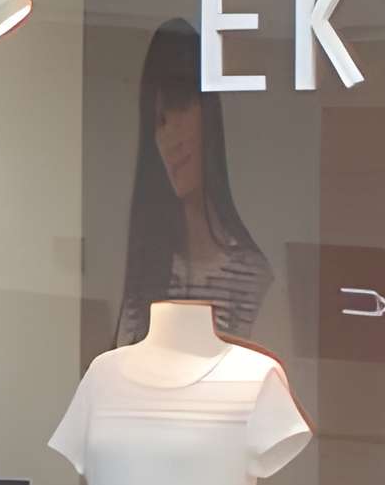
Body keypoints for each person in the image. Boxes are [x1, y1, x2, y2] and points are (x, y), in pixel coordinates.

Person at [115, 17, 271, 347]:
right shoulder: (146, 269)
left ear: (209, 113)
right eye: (159, 122)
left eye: (181, 107)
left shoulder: (253, 277)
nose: (170, 139)